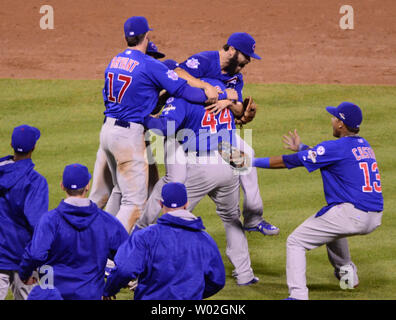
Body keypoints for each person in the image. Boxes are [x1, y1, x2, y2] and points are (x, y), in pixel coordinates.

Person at [98, 16, 222, 233]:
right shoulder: (149, 64)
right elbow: (182, 90)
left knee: (120, 190)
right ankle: (109, 255)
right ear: (147, 36)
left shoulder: (115, 60)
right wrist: (207, 95)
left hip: (107, 130)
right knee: (134, 203)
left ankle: (98, 240)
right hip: (128, 135)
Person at [249, 102, 383, 300]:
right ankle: (348, 278)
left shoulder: (336, 146)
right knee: (332, 228)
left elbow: (290, 162)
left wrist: (251, 162)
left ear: (340, 124)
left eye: (334, 117)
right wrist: (302, 148)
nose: (331, 120)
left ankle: (298, 295)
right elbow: (327, 157)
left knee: (295, 242)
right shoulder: (363, 145)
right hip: (374, 215)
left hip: (352, 213)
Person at [135, 78, 258, 286]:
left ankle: (147, 274)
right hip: (229, 159)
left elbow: (163, 128)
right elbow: (236, 111)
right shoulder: (219, 92)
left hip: (204, 164)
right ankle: (245, 274)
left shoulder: (182, 99)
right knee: (231, 217)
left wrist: (142, 117)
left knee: (173, 218)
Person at [175, 32, 279, 236]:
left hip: (219, 139)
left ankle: (253, 218)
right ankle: (167, 226)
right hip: (190, 134)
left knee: (246, 158)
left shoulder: (236, 76)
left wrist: (228, 102)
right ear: (231, 50)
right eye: (245, 56)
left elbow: (239, 110)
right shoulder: (204, 60)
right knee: (180, 188)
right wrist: (207, 87)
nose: (248, 61)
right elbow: (177, 72)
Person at [18, 164, 129, 300]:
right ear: (88, 186)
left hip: (55, 296)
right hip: (91, 295)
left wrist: (25, 274)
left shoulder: (50, 220)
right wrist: (110, 289)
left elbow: (35, 254)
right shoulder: (107, 222)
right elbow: (127, 262)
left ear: (62, 186)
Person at [103, 182, 225, 300]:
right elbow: (217, 280)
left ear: (161, 204)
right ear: (186, 204)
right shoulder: (205, 240)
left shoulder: (146, 236)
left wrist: (109, 290)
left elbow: (124, 270)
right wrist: (192, 293)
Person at [0, 125, 48, 300]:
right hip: (25, 259)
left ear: (11, 144)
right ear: (33, 148)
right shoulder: (36, 182)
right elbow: (38, 225)